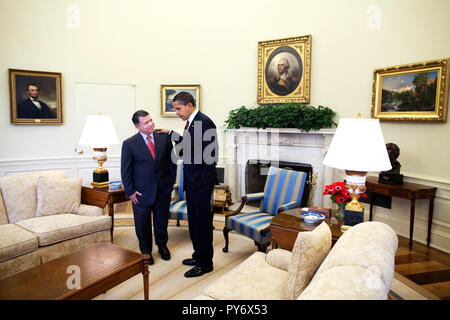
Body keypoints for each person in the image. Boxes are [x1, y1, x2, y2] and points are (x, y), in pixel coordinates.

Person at [157, 91, 218, 278]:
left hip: (200, 185)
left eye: (178, 108)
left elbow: (211, 157)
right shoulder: (192, 122)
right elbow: (188, 146)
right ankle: (198, 255)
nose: (176, 112)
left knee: (202, 224)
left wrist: (201, 183)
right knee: (195, 223)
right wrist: (172, 134)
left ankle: (205, 264)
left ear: (189, 105)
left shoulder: (204, 122)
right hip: (193, 184)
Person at [121, 110, 176, 265]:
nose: (151, 124)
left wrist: (169, 185)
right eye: (146, 122)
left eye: (151, 120)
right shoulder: (129, 144)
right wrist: (130, 192)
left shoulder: (164, 138)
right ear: (137, 126)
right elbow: (126, 171)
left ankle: (162, 246)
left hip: (162, 190)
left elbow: (172, 163)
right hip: (140, 192)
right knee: (142, 223)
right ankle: (146, 251)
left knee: (161, 221)